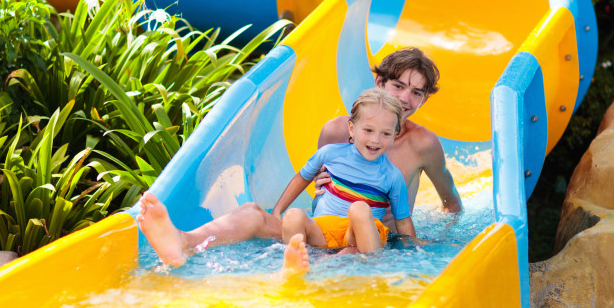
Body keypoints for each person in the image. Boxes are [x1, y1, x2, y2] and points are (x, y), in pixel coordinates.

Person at [136, 47, 462, 267]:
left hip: (373, 245)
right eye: (397, 86)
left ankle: (299, 270)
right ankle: (184, 242)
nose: (405, 99)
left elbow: (451, 203)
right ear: (379, 82)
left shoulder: (424, 145)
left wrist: (433, 243)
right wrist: (283, 212)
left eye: (416, 92)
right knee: (251, 212)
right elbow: (321, 192)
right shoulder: (337, 133)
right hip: (324, 230)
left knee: (349, 247)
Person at [273, 89, 414, 274]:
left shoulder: (392, 176)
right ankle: (294, 264)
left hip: (360, 237)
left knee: (359, 208)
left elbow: (403, 221)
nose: (375, 139)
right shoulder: (330, 154)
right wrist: (277, 211)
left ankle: (373, 268)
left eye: (385, 134)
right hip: (324, 231)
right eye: (368, 130)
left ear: (394, 136)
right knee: (293, 216)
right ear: (351, 129)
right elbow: (303, 177)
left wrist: (412, 254)